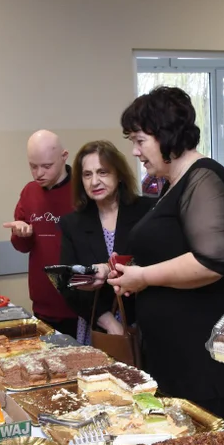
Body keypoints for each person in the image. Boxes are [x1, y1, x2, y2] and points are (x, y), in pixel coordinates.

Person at [113, 87, 224, 430]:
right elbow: (170, 252)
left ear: (165, 133)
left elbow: (211, 261)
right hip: (178, 356)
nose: (135, 151)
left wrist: (143, 277)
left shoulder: (204, 177)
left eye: (140, 140)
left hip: (208, 362)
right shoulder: (172, 183)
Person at [59, 141, 153, 345]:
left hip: (147, 322)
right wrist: (110, 323)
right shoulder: (71, 224)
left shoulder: (148, 211)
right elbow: (68, 285)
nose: (94, 181)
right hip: (99, 327)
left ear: (118, 174)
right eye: (87, 174)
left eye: (102, 172)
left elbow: (158, 263)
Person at [5, 130, 79, 337]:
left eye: (47, 166)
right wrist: (21, 234)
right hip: (43, 302)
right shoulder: (29, 192)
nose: (39, 173)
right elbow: (21, 247)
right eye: (33, 166)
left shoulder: (81, 190)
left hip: (79, 304)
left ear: (64, 157)